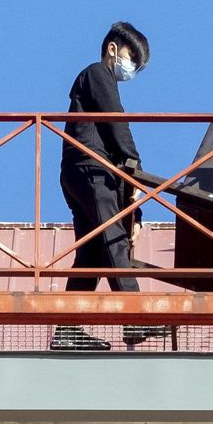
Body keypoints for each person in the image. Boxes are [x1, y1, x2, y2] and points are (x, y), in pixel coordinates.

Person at [50, 22, 170, 351]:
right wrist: (138, 168)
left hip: (84, 172)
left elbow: (115, 149)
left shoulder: (98, 82)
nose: (130, 70)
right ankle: (136, 319)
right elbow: (117, 124)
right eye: (132, 60)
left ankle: (67, 331)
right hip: (89, 169)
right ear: (113, 49)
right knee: (114, 242)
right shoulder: (97, 74)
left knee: (91, 256)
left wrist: (136, 209)